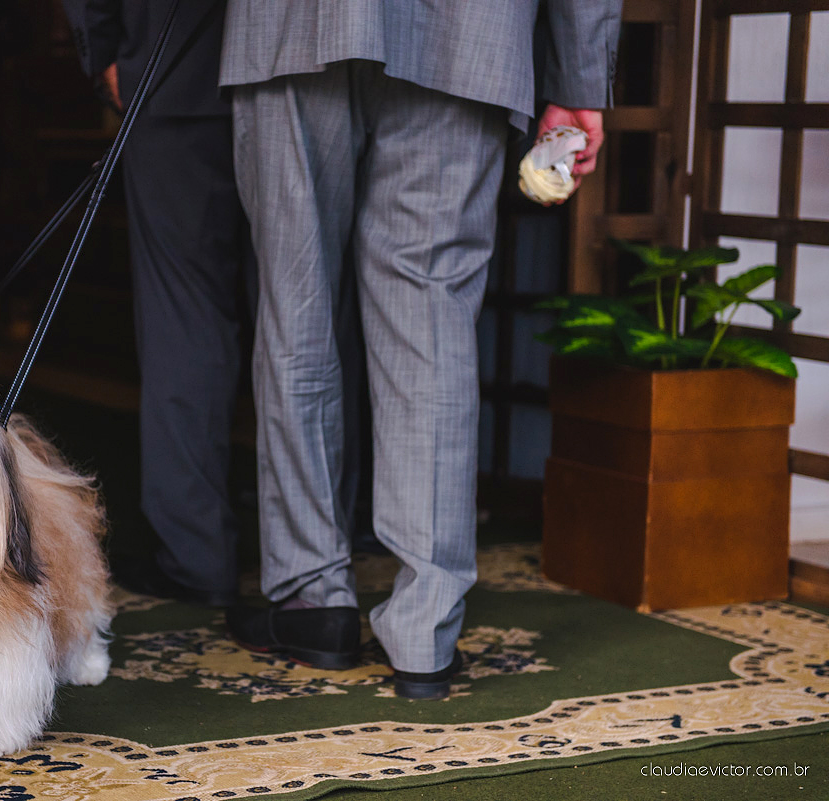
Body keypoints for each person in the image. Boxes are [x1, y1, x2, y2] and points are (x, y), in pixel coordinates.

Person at [221, 1, 620, 698]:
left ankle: (315, 596)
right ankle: (425, 629)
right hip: (467, 30)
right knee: (430, 308)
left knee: (297, 302)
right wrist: (579, 77)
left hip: (292, 22)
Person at [62, 0, 255, 607]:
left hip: (172, 65)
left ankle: (200, 555)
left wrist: (106, 49)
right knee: (305, 309)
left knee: (184, 315)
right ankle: (315, 561)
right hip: (296, 70)